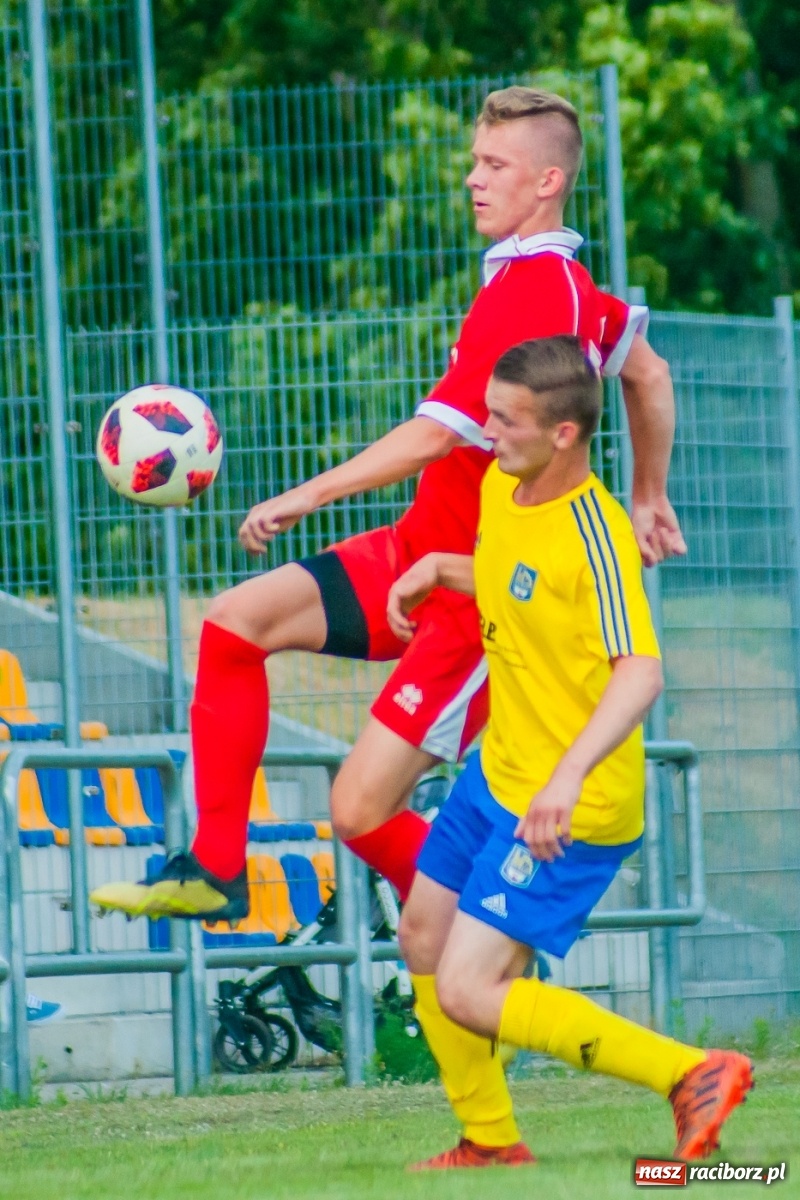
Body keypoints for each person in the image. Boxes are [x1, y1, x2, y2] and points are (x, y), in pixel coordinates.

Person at [90, 87, 685, 923]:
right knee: (234, 625)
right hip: (416, 549)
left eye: (495, 165)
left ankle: (470, 929)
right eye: (475, 161)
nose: (473, 179)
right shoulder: (567, 282)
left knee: (360, 811)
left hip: (473, 598)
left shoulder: (529, 293)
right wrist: (650, 494)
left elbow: (431, 438)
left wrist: (306, 494)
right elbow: (648, 374)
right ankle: (216, 867)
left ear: (548, 181)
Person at [386, 335, 752, 1171]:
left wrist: (566, 775)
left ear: (562, 434)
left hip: (568, 805)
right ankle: (489, 1142)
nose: (486, 432)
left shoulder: (600, 535)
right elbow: (519, 582)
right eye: (487, 413)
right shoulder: (499, 487)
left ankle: (693, 1071)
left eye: (503, 420)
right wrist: (442, 567)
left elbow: (642, 672)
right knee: (422, 935)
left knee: (470, 990)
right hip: (498, 773)